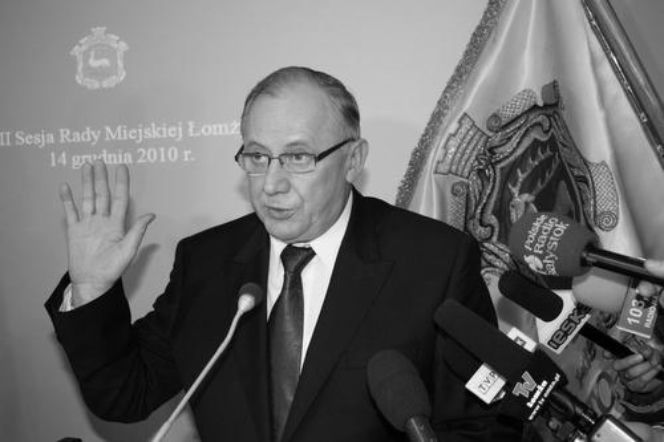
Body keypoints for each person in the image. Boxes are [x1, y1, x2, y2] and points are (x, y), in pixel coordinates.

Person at [45, 66, 521, 441]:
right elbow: (126, 394)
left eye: (297, 157)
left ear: (353, 159)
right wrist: (91, 290)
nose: (271, 184)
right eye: (257, 156)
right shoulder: (207, 262)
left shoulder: (434, 262)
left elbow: (483, 425)